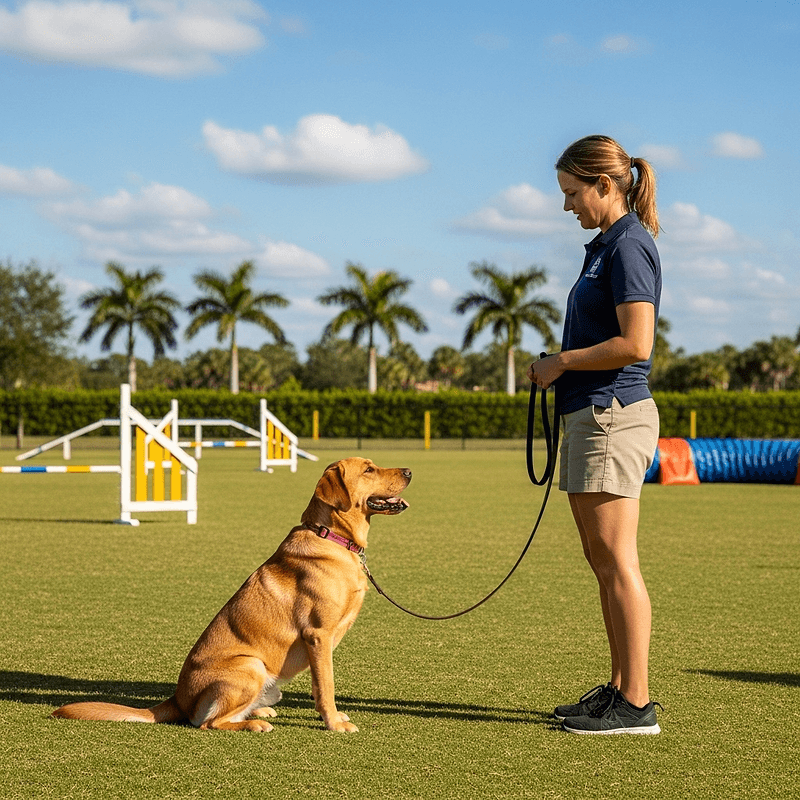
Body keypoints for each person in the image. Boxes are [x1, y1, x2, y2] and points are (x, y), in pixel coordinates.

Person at [528, 135, 662, 735]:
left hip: (613, 414)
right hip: (592, 413)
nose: (567, 206)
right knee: (601, 560)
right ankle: (618, 690)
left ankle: (635, 704)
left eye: (572, 193)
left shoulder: (630, 246)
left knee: (617, 562)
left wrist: (560, 362)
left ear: (604, 185)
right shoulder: (606, 246)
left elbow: (637, 344)